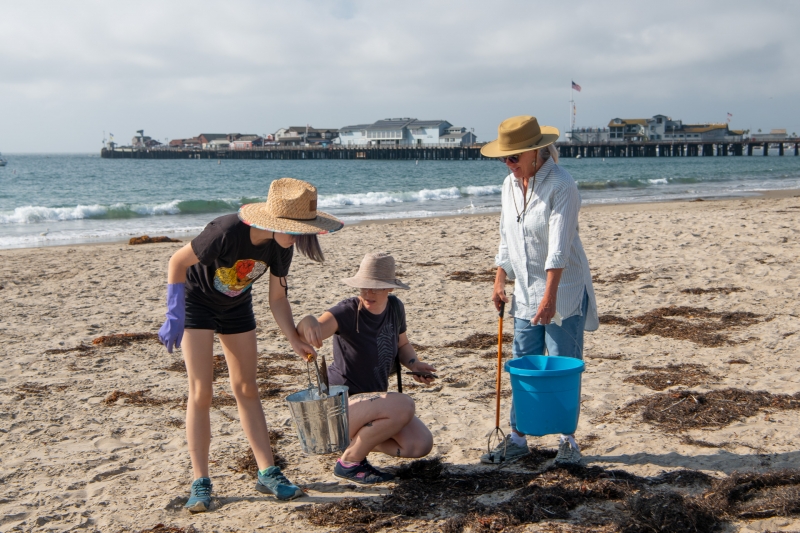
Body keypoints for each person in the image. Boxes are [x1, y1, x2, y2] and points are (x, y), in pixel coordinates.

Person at [157, 178, 343, 512]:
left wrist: (293, 340)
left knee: (246, 388)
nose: (299, 238)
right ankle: (201, 481)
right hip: (196, 304)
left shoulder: (280, 247)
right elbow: (177, 262)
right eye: (296, 229)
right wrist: (174, 314)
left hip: (237, 307)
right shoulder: (225, 231)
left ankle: (268, 472)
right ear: (275, 222)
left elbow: (277, 299)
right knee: (201, 392)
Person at [479, 116, 598, 465]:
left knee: (562, 364)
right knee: (523, 364)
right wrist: (500, 280)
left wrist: (549, 299)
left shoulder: (562, 184)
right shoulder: (508, 185)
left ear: (535, 152)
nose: (508, 164)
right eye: (505, 158)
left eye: (514, 157)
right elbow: (506, 237)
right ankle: (518, 437)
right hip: (526, 292)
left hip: (564, 289)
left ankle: (568, 440)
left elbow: (559, 249)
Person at [296, 252, 435, 484]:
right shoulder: (348, 311)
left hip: (372, 407)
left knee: (420, 444)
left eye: (375, 287)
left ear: (389, 288)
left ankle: (359, 441)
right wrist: (307, 320)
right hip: (338, 407)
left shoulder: (395, 307)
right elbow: (312, 329)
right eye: (364, 287)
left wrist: (414, 364)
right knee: (404, 404)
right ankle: (349, 462)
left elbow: (403, 344)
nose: (368, 293)